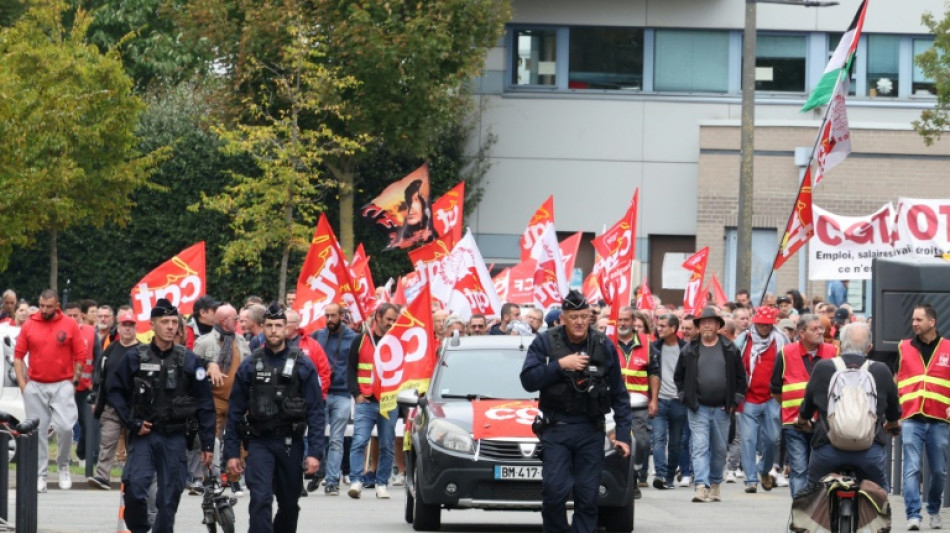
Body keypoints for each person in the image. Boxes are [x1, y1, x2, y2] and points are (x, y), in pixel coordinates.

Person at [520, 290, 632, 532]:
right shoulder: (545, 342)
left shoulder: (603, 344)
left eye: (584, 316)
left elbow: (619, 395)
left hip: (590, 429)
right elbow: (528, 380)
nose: (580, 321)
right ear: (563, 317)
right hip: (556, 429)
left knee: (588, 496)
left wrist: (623, 435)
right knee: (553, 493)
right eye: (574, 317)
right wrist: (560, 365)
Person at [107, 298, 215, 533]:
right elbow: (114, 392)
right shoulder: (135, 357)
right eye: (164, 321)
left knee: (168, 499)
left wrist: (207, 444)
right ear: (152, 324)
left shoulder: (188, 360)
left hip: (175, 437)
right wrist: (132, 422)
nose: (170, 327)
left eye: (173, 322)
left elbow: (205, 403)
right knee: (135, 490)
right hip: (145, 434)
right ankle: (141, 528)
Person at [225, 304, 325, 533]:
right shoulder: (250, 365)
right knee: (260, 499)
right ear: (263, 328)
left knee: (289, 505)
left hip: (291, 444)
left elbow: (316, 412)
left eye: (278, 326)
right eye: (269, 326)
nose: (273, 331)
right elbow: (235, 411)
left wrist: (314, 453)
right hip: (260, 442)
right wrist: (231, 453)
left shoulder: (303, 365)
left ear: (286, 329)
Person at [796, 323, 900, 499]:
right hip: (869, 452)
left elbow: (807, 405)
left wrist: (803, 421)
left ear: (840, 345)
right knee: (880, 492)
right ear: (869, 347)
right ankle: (877, 524)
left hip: (827, 450)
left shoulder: (823, 367)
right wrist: (891, 424)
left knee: (812, 490)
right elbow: (893, 411)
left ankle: (808, 523)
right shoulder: (881, 370)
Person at [14, 289, 86, 493]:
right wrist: (23, 385)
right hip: (35, 384)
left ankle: (63, 465)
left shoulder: (69, 324)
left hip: (62, 382)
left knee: (65, 427)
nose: (44, 310)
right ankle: (41, 475)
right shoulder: (30, 324)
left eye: (48, 306)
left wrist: (73, 382)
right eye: (42, 305)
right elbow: (18, 356)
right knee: (38, 432)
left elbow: (80, 356)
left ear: (57, 306)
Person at [674, 307, 747, 503]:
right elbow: (678, 377)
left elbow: (741, 378)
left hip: (723, 409)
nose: (706, 325)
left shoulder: (730, 349)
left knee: (719, 449)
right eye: (703, 322)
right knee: (699, 447)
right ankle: (701, 486)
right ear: (698, 326)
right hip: (698, 408)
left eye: (711, 321)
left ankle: (715, 483)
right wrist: (685, 397)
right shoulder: (689, 349)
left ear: (718, 326)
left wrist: (735, 400)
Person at [770, 314, 838, 497]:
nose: (820, 332)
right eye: (814, 329)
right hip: (794, 424)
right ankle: (800, 515)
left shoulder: (833, 352)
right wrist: (791, 409)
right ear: (801, 333)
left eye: (821, 328)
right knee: (799, 469)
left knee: (821, 472)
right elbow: (776, 388)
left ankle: (817, 513)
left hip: (824, 424)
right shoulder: (785, 353)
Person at [897, 303, 950, 531]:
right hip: (911, 417)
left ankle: (934, 510)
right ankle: (913, 514)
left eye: (919, 320)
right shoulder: (904, 347)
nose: (914, 324)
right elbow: (895, 379)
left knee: (939, 471)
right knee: (911, 468)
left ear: (932, 322)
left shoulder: (948, 348)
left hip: (939, 419)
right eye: (913, 320)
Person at [193, 303, 251, 497]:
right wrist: (209, 366)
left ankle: (234, 479)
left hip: (237, 399)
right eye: (235, 319)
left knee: (239, 439)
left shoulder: (241, 341)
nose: (238, 323)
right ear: (223, 321)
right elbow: (194, 372)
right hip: (213, 398)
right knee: (212, 440)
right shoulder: (204, 342)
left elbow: (248, 367)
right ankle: (211, 478)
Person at [347, 303, 399, 499]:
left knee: (387, 444)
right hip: (366, 400)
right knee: (359, 441)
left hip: (388, 402)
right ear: (378, 317)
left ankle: (381, 483)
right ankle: (356, 481)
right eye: (388, 319)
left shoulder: (397, 342)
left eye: (394, 320)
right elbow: (350, 369)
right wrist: (356, 394)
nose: (391, 323)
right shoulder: (360, 340)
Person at [734, 306, 785, 493]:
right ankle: (750, 479)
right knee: (748, 439)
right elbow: (733, 362)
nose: (764, 328)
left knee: (773, 439)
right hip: (750, 397)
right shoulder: (744, 340)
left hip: (772, 397)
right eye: (761, 324)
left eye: (767, 325)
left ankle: (764, 469)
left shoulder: (781, 340)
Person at [89, 308, 140, 490]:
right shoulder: (110, 350)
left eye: (131, 325)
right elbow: (99, 375)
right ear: (118, 327)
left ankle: (132, 477)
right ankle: (102, 476)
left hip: (134, 407)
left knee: (134, 445)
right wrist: (96, 398)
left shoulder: (142, 351)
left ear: (135, 328)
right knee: (107, 441)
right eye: (124, 325)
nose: (127, 329)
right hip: (111, 406)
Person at [312, 302, 358, 496]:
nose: (329, 320)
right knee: (316, 436)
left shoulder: (353, 338)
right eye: (327, 316)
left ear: (342, 316)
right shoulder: (319, 336)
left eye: (333, 316)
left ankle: (332, 481)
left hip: (341, 393)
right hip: (319, 393)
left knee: (337, 439)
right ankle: (318, 472)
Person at [648, 313, 688, 490]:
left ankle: (670, 476)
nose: (659, 328)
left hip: (679, 402)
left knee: (675, 443)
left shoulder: (686, 349)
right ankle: (661, 475)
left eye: (663, 325)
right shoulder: (653, 347)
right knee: (658, 439)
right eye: (658, 325)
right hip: (659, 401)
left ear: (673, 329)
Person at [615, 306, 650, 496]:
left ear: (632, 321)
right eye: (619, 320)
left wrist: (654, 400)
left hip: (639, 404)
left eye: (626, 320)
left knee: (641, 442)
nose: (622, 323)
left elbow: (654, 372)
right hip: (613, 404)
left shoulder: (646, 343)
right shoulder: (608, 341)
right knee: (617, 442)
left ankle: (635, 473)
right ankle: (625, 480)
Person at [396, 178, 433, 245]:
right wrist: (412, 239)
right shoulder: (402, 228)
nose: (411, 209)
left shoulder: (427, 218)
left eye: (415, 199)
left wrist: (428, 231)